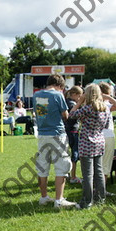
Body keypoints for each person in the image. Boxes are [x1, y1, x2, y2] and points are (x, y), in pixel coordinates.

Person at [33, 74, 75, 209]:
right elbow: (65, 115)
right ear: (60, 86)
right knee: (61, 166)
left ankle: (44, 196)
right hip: (57, 134)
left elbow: (41, 113)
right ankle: (59, 199)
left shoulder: (37, 95)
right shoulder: (58, 95)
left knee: (42, 167)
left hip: (42, 134)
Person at [69, 84, 111, 209]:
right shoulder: (106, 109)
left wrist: (79, 102)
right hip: (99, 141)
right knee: (99, 172)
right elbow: (107, 125)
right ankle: (100, 198)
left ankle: (87, 201)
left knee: (87, 174)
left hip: (87, 142)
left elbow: (71, 115)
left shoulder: (87, 108)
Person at [98, 82, 116, 192]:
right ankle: (101, 189)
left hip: (96, 136)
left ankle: (97, 188)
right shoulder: (106, 105)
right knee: (105, 164)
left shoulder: (91, 104)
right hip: (107, 136)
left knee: (97, 163)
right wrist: (108, 97)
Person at [65, 86, 84, 184]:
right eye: (80, 96)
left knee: (67, 153)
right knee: (75, 153)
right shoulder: (72, 104)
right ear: (75, 95)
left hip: (67, 130)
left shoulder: (67, 101)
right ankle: (73, 176)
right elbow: (75, 115)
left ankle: (67, 174)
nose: (80, 98)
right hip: (73, 130)